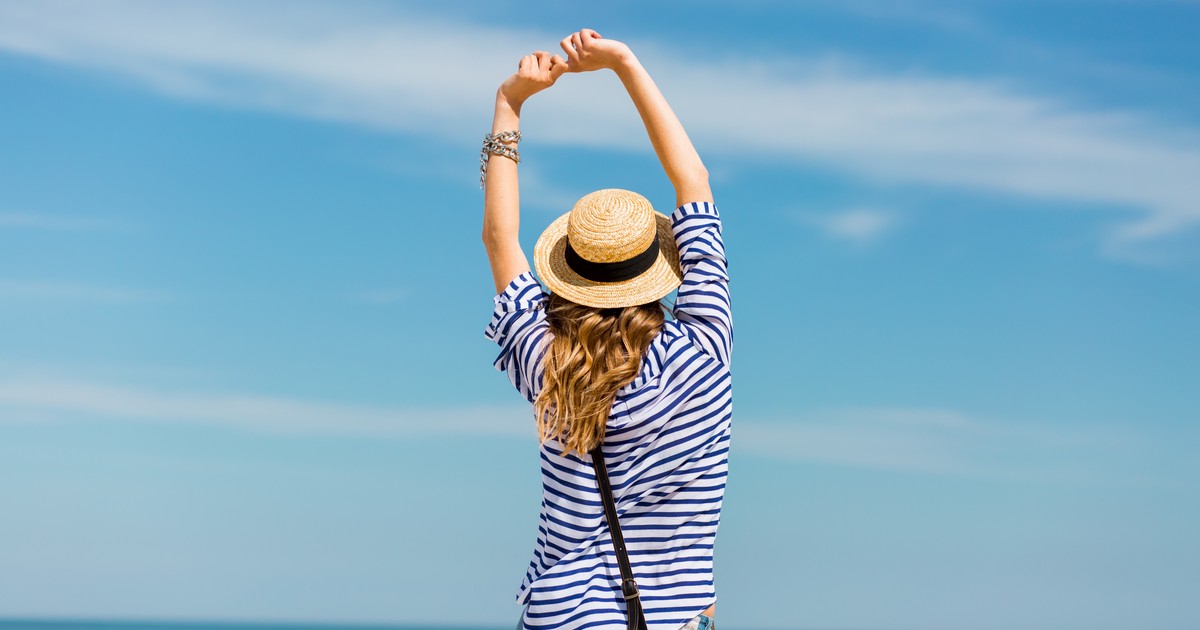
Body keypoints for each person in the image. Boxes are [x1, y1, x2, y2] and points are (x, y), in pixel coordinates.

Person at [481, 28, 730, 630]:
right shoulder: (704, 348)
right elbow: (693, 181)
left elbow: (499, 238)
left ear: (570, 273)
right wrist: (623, 63)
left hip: (561, 615)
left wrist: (509, 104)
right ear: (657, 267)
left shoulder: (548, 362)